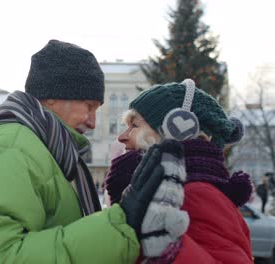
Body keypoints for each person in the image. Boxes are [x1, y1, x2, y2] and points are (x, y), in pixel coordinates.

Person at [0, 39, 176, 263]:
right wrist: (118, 224)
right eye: (88, 106)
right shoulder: (11, 147)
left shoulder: (42, 148)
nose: (92, 121)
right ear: (53, 97)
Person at [105, 80, 253, 263]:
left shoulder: (196, 194)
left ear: (179, 132)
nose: (122, 137)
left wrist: (168, 251)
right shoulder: (170, 192)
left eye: (134, 126)